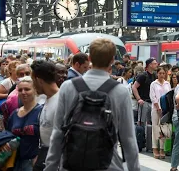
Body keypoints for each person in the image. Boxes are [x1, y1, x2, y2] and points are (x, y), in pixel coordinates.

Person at [44, 38, 140, 171]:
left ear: (89, 58)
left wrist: (51, 167)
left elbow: (58, 132)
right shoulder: (120, 91)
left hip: (72, 163)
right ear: (112, 60)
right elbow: (128, 138)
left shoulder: (68, 87)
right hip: (108, 165)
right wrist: (134, 168)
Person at [7, 76, 43, 171]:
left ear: (35, 90)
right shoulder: (14, 114)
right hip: (13, 162)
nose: (23, 92)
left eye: (27, 89)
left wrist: (39, 158)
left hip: (33, 161)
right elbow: (8, 137)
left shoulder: (42, 112)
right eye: (20, 90)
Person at [29, 60, 59, 171]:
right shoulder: (44, 98)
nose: (32, 84)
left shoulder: (60, 101)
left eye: (33, 80)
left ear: (39, 80)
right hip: (44, 155)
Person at [149, 67, 171, 159]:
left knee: (163, 129)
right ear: (157, 74)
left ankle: (162, 149)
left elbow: (169, 95)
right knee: (155, 128)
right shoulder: (153, 84)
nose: (162, 75)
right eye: (160, 73)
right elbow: (152, 96)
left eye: (163, 73)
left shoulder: (167, 83)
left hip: (165, 109)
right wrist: (158, 107)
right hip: (155, 109)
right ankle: (155, 148)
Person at [132, 57, 158, 126]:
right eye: (155, 63)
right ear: (150, 65)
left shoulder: (155, 75)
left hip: (152, 102)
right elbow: (134, 87)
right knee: (143, 122)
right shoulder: (143, 75)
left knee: (151, 122)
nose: (156, 65)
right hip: (144, 102)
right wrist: (139, 99)